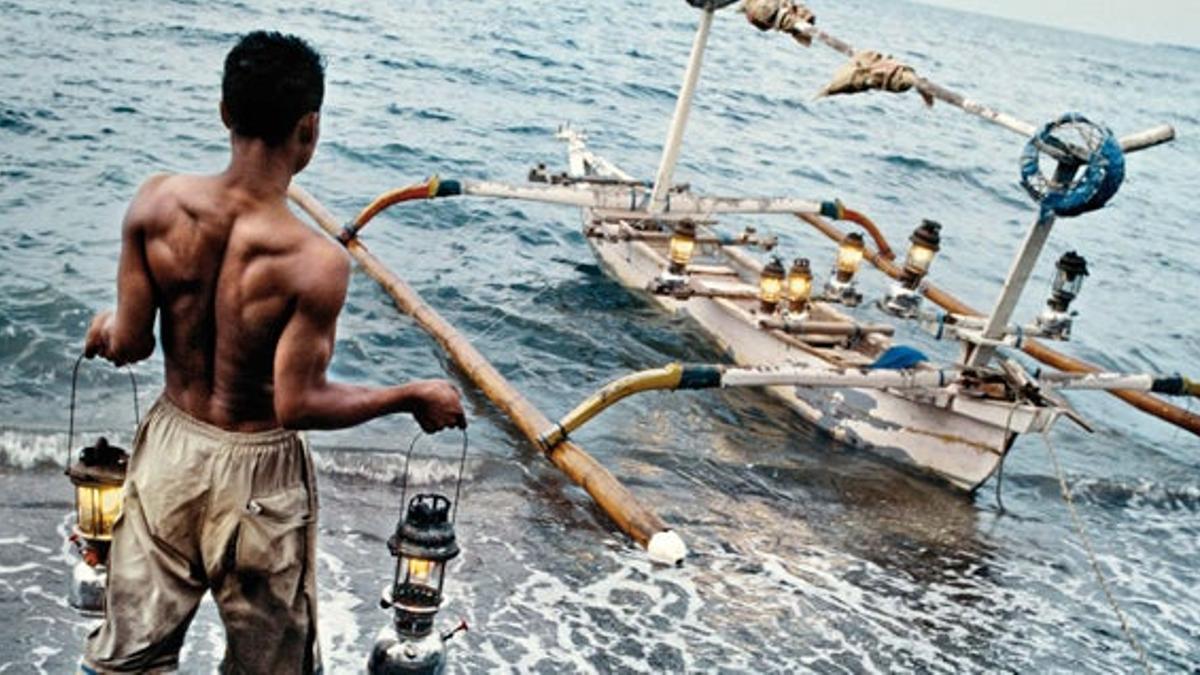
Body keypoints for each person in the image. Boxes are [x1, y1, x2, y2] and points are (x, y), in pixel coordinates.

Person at [79, 31, 466, 674]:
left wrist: (103, 327)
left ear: (224, 111)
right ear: (308, 129)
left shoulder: (154, 203)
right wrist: (408, 395)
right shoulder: (314, 262)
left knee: (128, 655)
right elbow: (297, 402)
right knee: (270, 665)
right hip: (258, 475)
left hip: (171, 452)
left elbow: (130, 342)